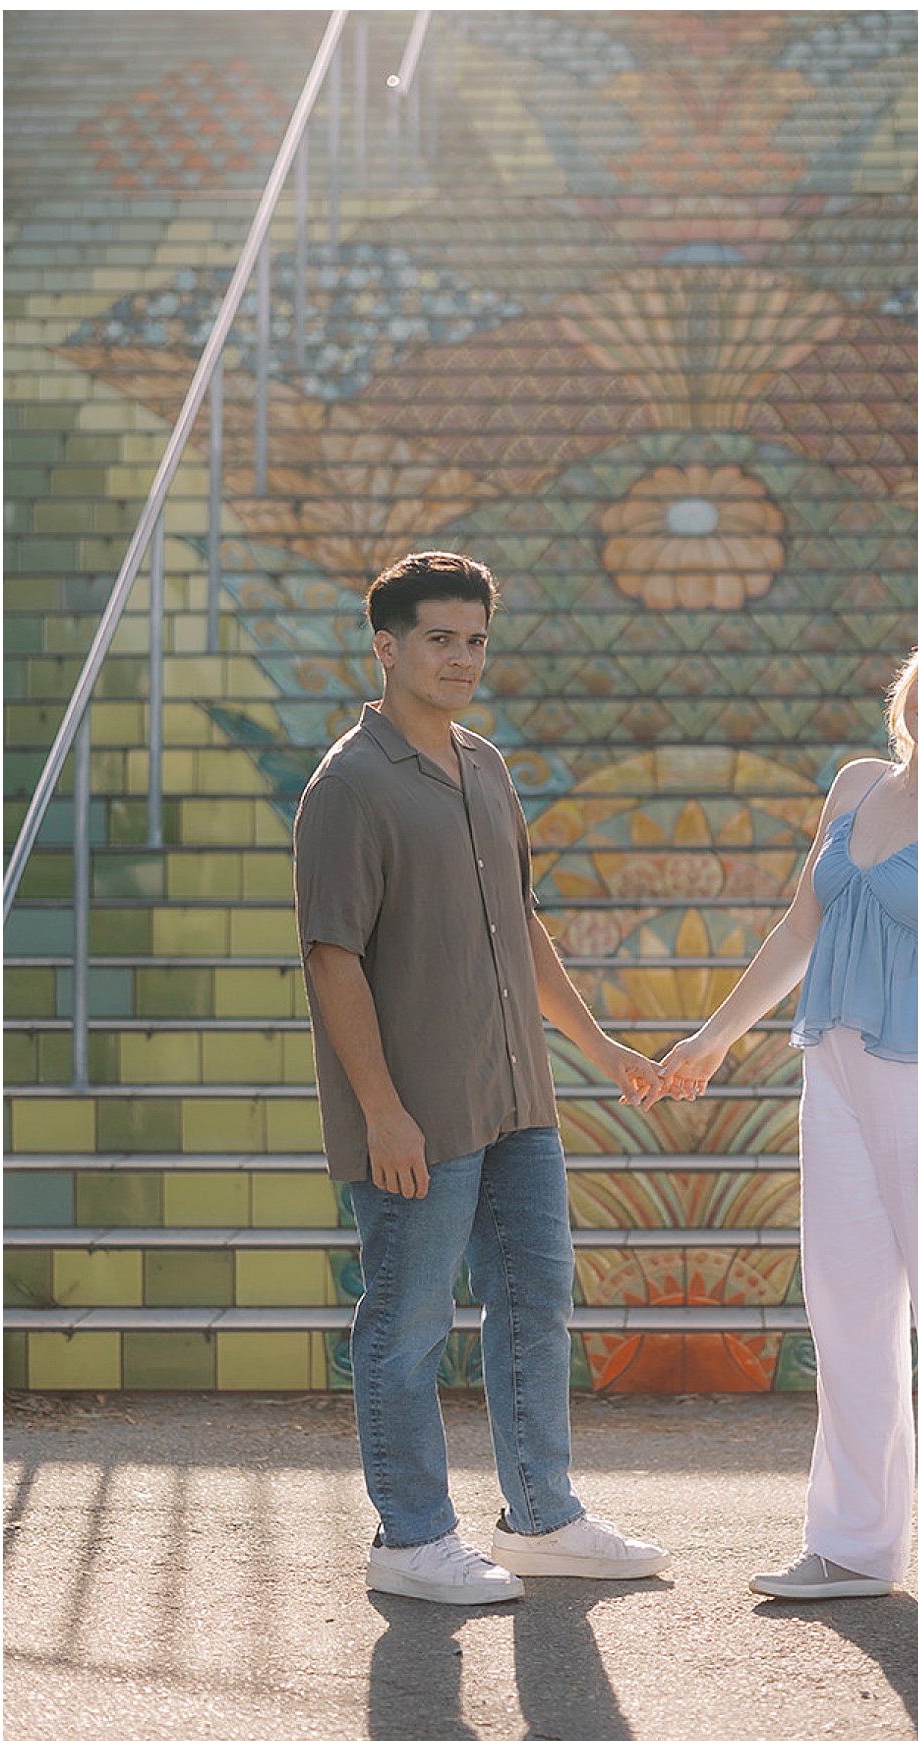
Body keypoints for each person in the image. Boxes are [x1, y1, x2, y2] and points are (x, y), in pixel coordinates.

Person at [658, 606, 918, 1601]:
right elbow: (803, 925)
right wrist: (712, 1036)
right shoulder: (855, 785)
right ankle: (850, 1543)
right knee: (846, 1306)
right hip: (830, 1069)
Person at [294, 549, 669, 1605]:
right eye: (439, 638)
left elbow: (523, 929)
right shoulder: (349, 784)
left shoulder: (489, 766)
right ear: (388, 647)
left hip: (518, 1098)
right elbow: (332, 956)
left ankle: (542, 1516)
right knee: (408, 1316)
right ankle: (411, 1535)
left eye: (474, 639)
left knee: (535, 1298)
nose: (461, 657)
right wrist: (381, 1110)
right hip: (418, 1108)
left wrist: (601, 1050)